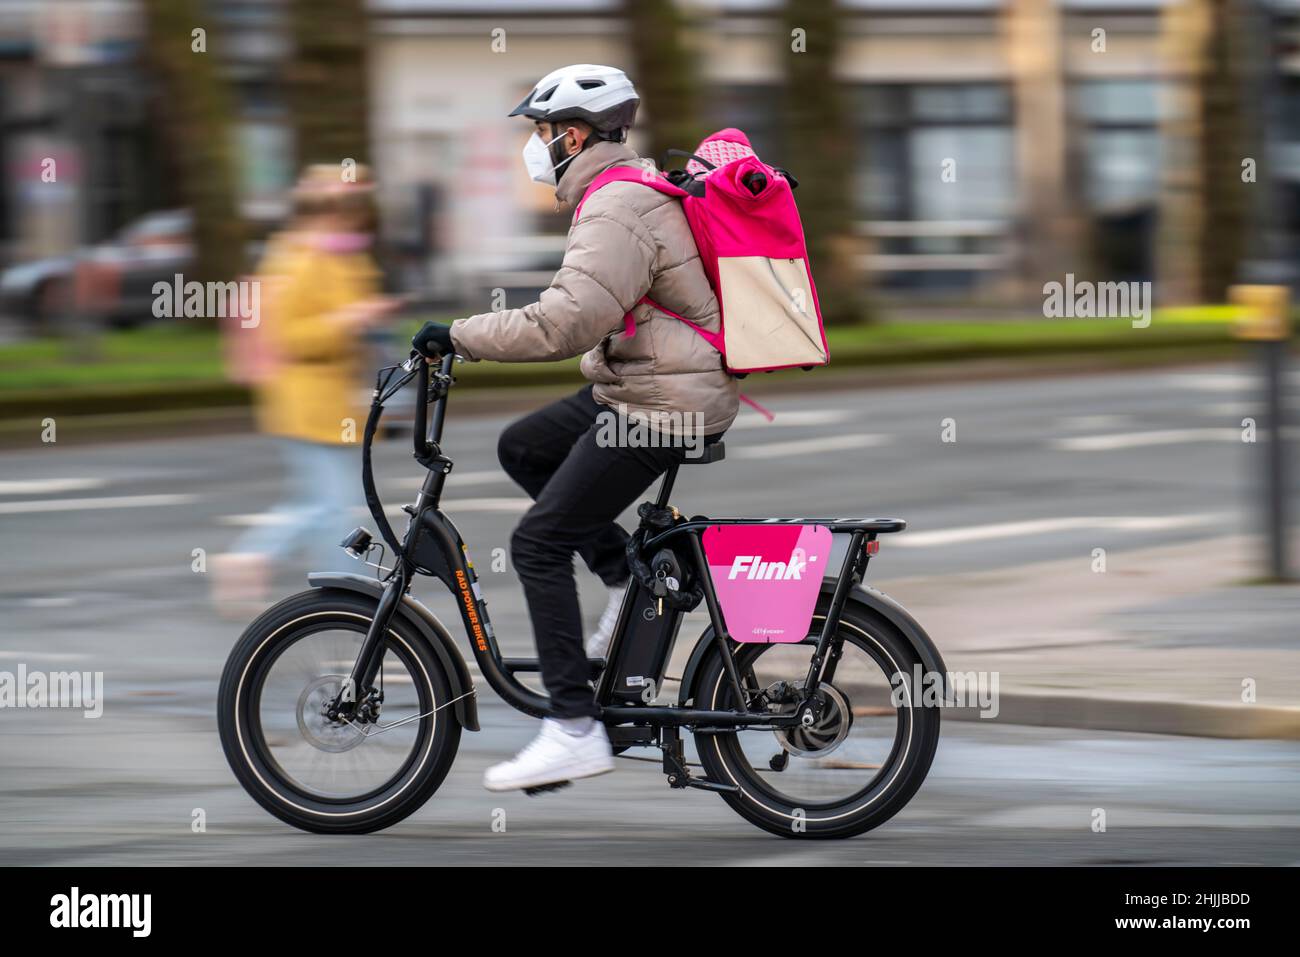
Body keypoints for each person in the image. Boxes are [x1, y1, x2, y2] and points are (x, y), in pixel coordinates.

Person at [412, 64, 739, 793]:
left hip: (664, 406)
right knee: (522, 446)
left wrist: (457, 336)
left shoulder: (617, 205)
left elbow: (565, 321)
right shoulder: (620, 192)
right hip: (647, 387)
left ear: (572, 134)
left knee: (537, 542)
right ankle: (628, 577)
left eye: (539, 132)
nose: (534, 148)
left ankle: (571, 727)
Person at [213, 165, 398, 607]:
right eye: (349, 209)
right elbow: (288, 337)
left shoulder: (342, 256)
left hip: (331, 402)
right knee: (331, 506)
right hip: (305, 402)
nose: (358, 218)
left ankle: (331, 591)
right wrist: (349, 320)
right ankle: (346, 599)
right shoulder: (299, 258)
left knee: (323, 503)